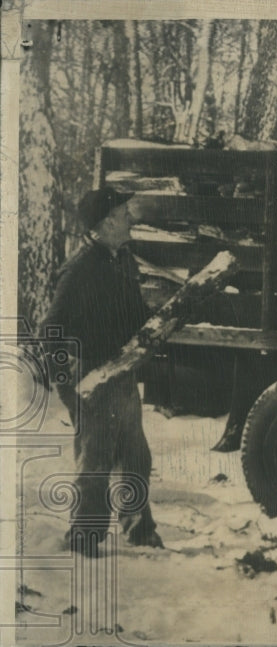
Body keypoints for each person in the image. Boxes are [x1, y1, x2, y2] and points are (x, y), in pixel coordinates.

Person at [40, 187, 163, 556]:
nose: (131, 219)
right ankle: (85, 538)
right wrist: (70, 386)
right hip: (92, 376)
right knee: (95, 461)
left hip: (121, 373)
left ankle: (140, 531)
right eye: (125, 213)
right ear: (107, 221)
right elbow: (51, 330)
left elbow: (131, 313)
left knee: (137, 457)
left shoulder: (121, 260)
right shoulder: (80, 269)